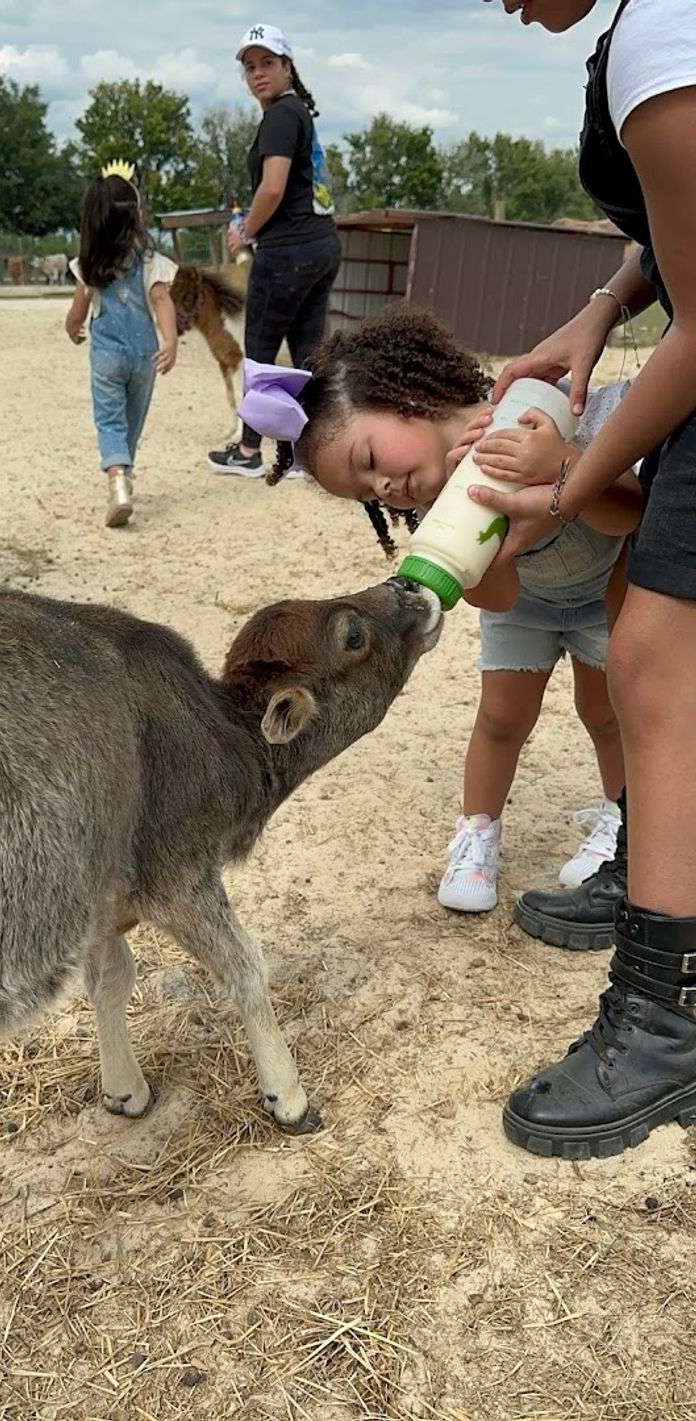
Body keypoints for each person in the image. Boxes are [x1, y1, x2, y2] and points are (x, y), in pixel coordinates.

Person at [458, 0, 696, 1159]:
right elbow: (669, 243)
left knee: (655, 659)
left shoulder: (663, 36)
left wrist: (565, 483)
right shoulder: (635, 31)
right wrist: (597, 314)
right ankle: (660, 884)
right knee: (642, 637)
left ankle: (665, 1013)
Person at [240, 308, 640, 912]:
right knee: (501, 718)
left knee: (604, 711)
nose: (382, 490)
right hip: (526, 607)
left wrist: (562, 467)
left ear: (407, 399)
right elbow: (496, 598)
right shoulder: (439, 506)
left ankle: (623, 824)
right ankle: (478, 832)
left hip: (605, 592)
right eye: (365, 493)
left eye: (370, 461)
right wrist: (487, 547)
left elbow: (631, 512)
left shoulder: (535, 414)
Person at [207, 23, 341, 478]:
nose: (258, 73)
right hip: (321, 244)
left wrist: (245, 231)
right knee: (307, 349)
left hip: (287, 251)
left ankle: (248, 451)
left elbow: (273, 187)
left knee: (261, 348)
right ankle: (308, 452)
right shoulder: (299, 113)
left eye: (267, 63)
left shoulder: (281, 117)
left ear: (287, 67)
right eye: (249, 66)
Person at [66, 162, 178, 528]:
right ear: (137, 216)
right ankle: (124, 475)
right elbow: (161, 300)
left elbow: (78, 309)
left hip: (106, 357)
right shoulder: (149, 261)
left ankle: (117, 480)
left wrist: (72, 328)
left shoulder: (90, 263)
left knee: (109, 418)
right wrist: (171, 340)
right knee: (133, 418)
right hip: (144, 357)